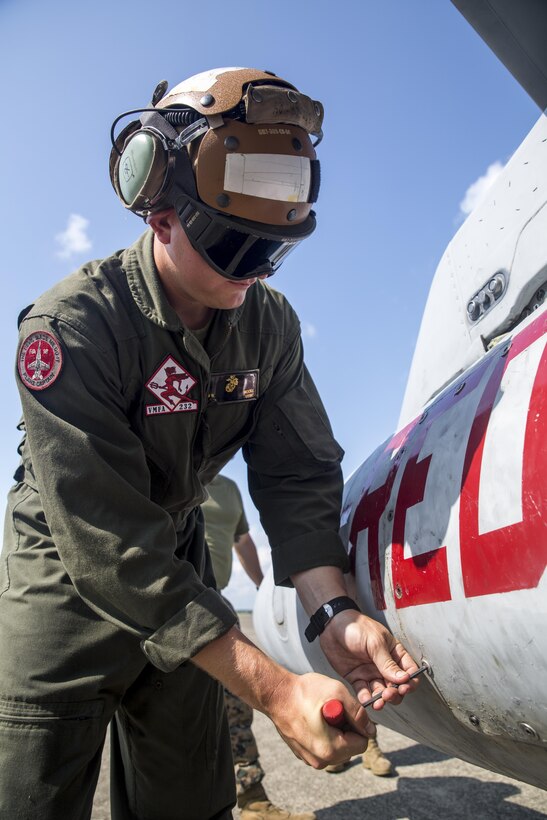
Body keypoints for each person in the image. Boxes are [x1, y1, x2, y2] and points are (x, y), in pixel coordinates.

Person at [0, 67, 419, 820]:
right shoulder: (70, 331)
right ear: (158, 214)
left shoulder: (268, 325)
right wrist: (277, 689)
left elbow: (297, 474)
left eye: (272, 251)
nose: (253, 273)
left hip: (182, 562)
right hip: (63, 574)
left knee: (189, 802)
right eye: (230, 244)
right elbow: (105, 537)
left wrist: (334, 614)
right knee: (30, 793)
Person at [203, 472, 315, 819]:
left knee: (236, 707)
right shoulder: (162, 465)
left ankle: (253, 800)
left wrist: (266, 591)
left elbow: (242, 540)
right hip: (165, 598)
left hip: (214, 602)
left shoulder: (227, 488)